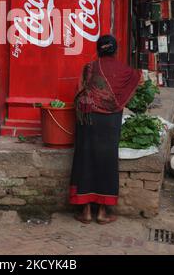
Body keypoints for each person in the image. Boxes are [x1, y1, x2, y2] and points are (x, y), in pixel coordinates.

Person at [69, 35, 142, 224]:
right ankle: (102, 213)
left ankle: (85, 211)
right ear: (115, 50)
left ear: (99, 50)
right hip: (110, 123)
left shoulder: (89, 68)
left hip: (88, 120)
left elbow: (79, 92)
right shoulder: (127, 72)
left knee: (84, 158)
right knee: (107, 162)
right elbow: (136, 80)